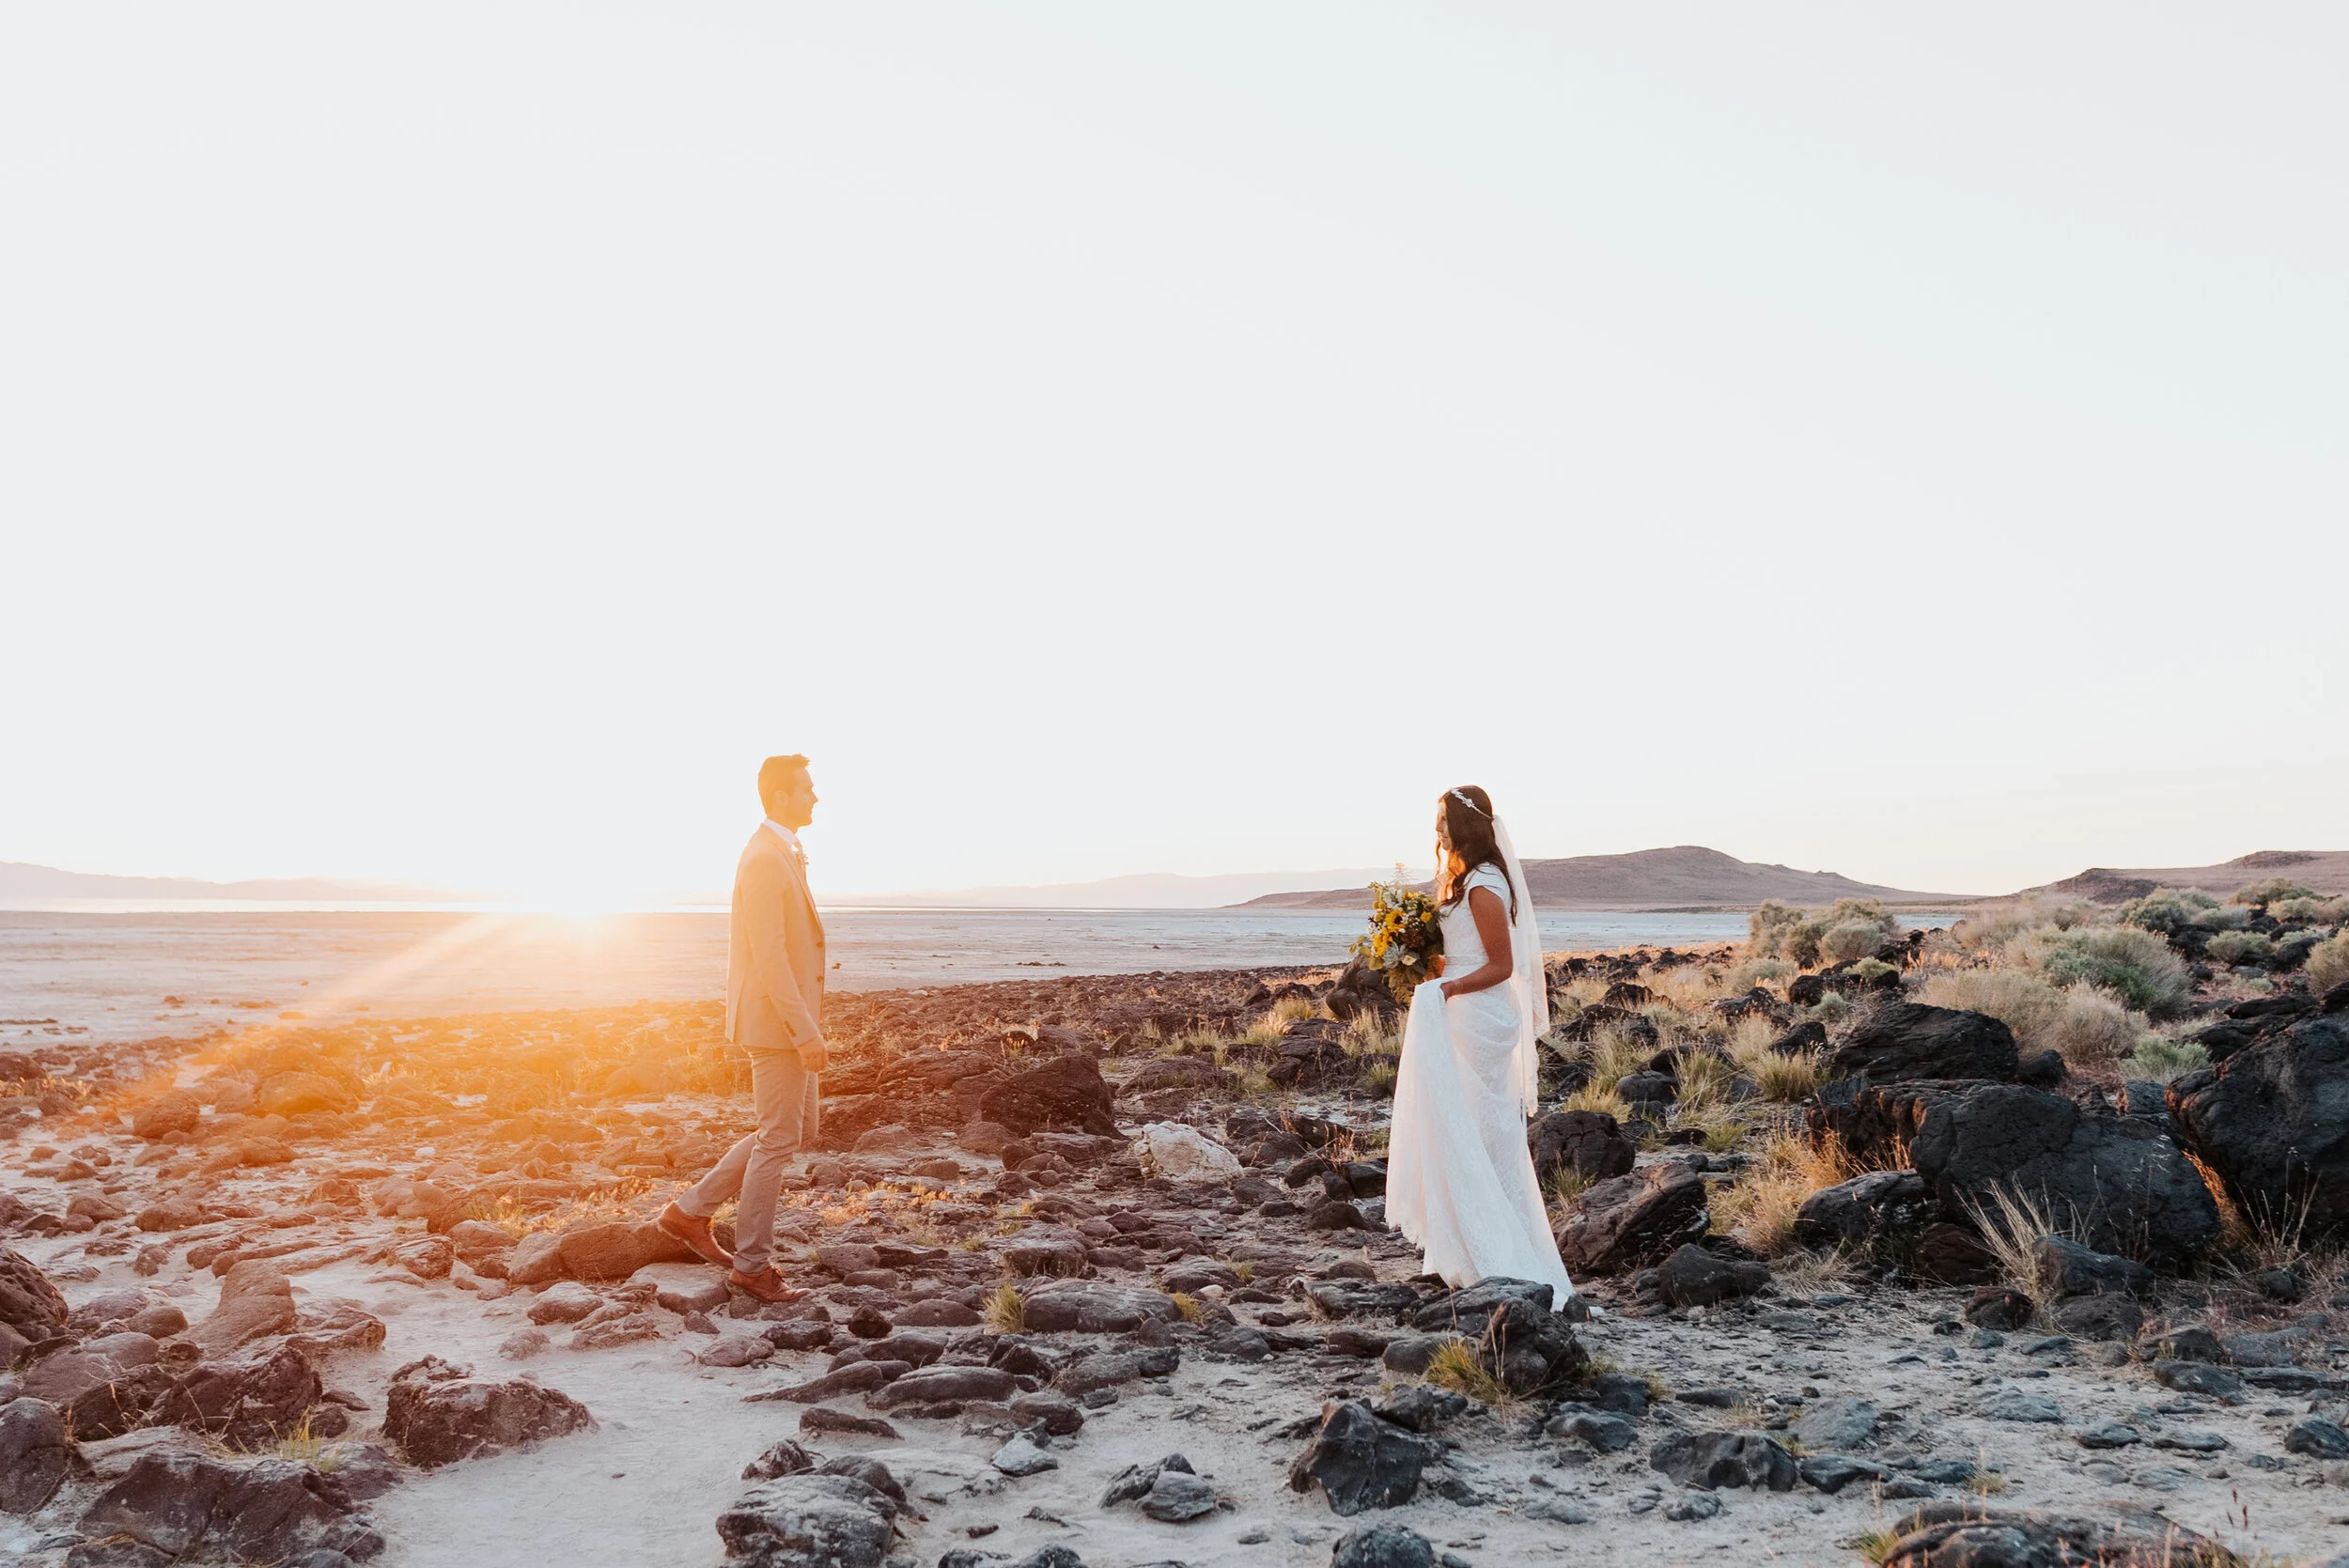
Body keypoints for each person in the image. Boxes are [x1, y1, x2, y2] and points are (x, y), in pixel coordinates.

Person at [1383, 784, 1584, 1309]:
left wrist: (1447, 988)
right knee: (1457, 1127)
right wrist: (1424, 962)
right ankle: (1464, 1251)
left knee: (1484, 1131)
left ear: (1465, 824)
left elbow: (1501, 967)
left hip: (1479, 1018)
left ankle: (1499, 1250)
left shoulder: (1484, 884)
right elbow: (1464, 952)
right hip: (1458, 1013)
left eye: (1443, 821)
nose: (1437, 831)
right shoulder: (1463, 881)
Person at [659, 753, 828, 1303]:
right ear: (779, 796)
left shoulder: (782, 852)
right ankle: (752, 1266)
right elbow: (770, 956)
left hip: (786, 1017)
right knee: (779, 1138)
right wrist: (804, 1031)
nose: (815, 797)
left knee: (793, 1130)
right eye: (806, 789)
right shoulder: (763, 858)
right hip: (776, 1021)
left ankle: (689, 1212)